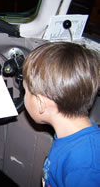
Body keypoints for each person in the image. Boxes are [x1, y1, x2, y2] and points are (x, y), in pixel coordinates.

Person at [22, 42, 100, 187]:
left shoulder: (85, 166)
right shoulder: (71, 138)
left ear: (40, 103)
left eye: (25, 91)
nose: (24, 97)